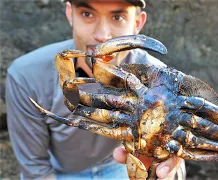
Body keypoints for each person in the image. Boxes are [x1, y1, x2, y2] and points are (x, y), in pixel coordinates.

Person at [5, 0, 186, 179]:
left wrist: (162, 169)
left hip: (122, 165)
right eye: (87, 14)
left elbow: (171, 156)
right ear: (70, 13)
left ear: (137, 23)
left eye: (117, 17)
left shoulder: (159, 81)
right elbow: (35, 169)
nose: (102, 35)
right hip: (61, 171)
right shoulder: (27, 76)